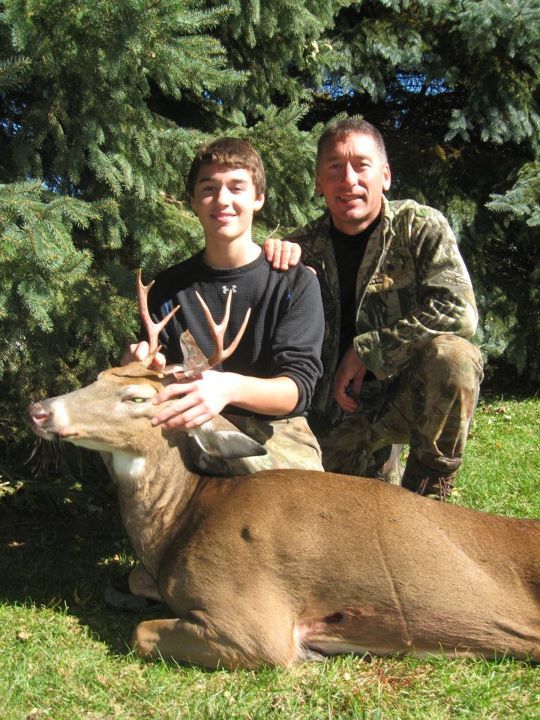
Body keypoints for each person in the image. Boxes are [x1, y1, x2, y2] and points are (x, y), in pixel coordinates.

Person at [266, 118, 483, 500]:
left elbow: (459, 311)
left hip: (402, 397)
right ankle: (376, 463)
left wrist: (368, 351)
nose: (348, 179)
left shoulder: (419, 228)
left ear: (385, 175)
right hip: (331, 411)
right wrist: (265, 255)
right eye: (334, 167)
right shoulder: (299, 248)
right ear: (319, 182)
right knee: (335, 515)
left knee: (455, 357)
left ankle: (429, 486)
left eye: (361, 165)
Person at [123, 136, 325, 477]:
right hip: (193, 423)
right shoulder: (168, 289)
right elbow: (157, 374)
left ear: (258, 198)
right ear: (193, 200)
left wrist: (227, 387)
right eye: (209, 188)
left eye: (237, 187)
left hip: (277, 432)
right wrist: (137, 367)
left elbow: (296, 390)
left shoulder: (294, 283)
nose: (222, 200)